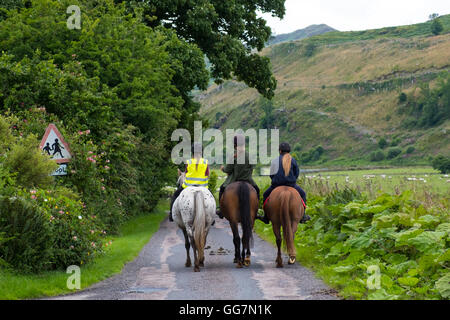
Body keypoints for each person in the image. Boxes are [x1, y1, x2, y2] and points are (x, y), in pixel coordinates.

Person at [257, 142, 310, 224]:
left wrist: (275, 180)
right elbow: (296, 173)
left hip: (276, 185)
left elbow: (271, 174)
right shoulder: (293, 160)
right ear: (289, 151)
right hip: (291, 185)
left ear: (280, 151)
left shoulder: (275, 161)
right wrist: (292, 180)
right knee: (303, 194)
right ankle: (303, 216)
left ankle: (266, 217)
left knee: (265, 195)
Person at [216, 135, 260, 218]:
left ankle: (221, 210)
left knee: (222, 188)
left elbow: (228, 169)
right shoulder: (250, 155)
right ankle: (257, 211)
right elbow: (252, 167)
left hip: (234, 181)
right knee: (257, 190)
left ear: (235, 145)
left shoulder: (234, 156)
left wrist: (222, 169)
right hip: (248, 180)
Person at [169, 142, 210, 222]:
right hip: (203, 187)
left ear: (192, 152)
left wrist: (180, 174)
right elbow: (207, 175)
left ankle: (171, 214)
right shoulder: (205, 162)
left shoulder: (189, 162)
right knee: (211, 199)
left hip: (188, 187)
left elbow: (186, 174)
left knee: (175, 195)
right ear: (201, 151)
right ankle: (211, 218)